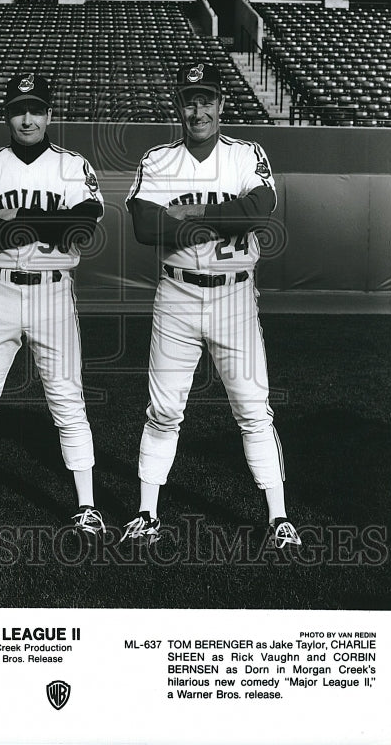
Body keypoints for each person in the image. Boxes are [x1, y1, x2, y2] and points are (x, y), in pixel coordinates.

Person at [121, 62, 301, 550]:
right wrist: (225, 217)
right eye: (189, 99)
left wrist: (188, 214)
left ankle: (278, 517)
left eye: (206, 99)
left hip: (235, 296)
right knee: (163, 410)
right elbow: (144, 227)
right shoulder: (158, 159)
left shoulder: (246, 154)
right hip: (177, 295)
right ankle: (145, 512)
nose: (197, 109)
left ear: (222, 104)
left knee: (253, 409)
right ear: (177, 104)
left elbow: (258, 211)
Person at [0, 73, 105, 541]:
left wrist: (13, 220)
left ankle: (87, 506)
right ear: (7, 114)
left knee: (68, 400)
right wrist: (49, 222)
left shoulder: (72, 165)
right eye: (18, 109)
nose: (27, 117)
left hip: (54, 291)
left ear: (49, 114)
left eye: (35, 108)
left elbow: (82, 230)